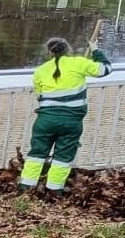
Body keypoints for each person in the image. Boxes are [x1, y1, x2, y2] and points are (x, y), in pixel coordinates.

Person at [19, 34, 109, 193]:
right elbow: (104, 69)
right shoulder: (79, 63)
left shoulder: (40, 71)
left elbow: (39, 96)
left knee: (37, 154)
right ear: (68, 49)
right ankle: (54, 191)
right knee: (63, 157)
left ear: (49, 52)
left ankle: (26, 187)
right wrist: (95, 50)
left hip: (45, 120)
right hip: (71, 122)